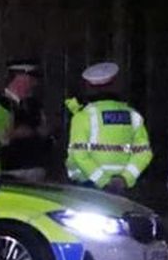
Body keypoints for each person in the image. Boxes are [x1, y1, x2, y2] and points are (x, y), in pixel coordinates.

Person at [64, 61, 152, 193]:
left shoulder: (84, 116)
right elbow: (144, 153)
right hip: (123, 187)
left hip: (89, 187)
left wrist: (104, 181)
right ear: (115, 85)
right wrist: (125, 178)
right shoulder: (133, 115)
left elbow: (79, 154)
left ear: (88, 86)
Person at [0, 57, 55, 181]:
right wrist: (15, 134)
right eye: (31, 78)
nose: (34, 83)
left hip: (36, 168)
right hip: (10, 170)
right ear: (19, 78)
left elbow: (44, 130)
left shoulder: (34, 104)